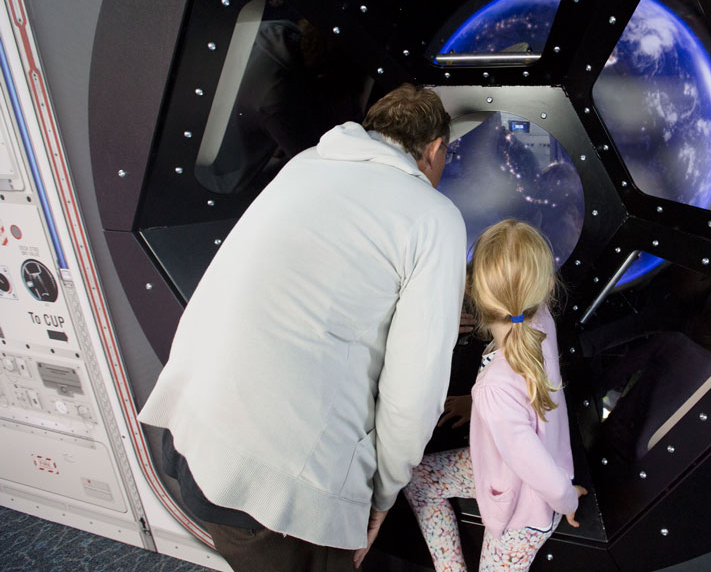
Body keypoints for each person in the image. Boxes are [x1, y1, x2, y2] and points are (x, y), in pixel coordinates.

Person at [137, 84, 468, 571]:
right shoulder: (434, 215)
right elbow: (415, 393)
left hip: (192, 439)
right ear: (436, 150)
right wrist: (381, 498)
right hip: (277, 488)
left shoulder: (305, 164)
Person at [403, 220, 587, 571]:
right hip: (518, 474)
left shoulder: (493, 389)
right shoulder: (541, 320)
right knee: (419, 476)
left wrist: (566, 499)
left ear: (473, 289)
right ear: (546, 287)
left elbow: (538, 471)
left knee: (418, 480)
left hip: (522, 515)